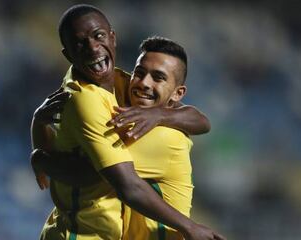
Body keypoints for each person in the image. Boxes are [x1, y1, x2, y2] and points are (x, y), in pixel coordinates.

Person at [31, 4, 224, 240]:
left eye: (98, 36)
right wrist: (191, 228)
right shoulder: (88, 100)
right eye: (140, 72)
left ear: (113, 38)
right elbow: (109, 179)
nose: (143, 83)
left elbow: (202, 120)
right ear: (68, 54)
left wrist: (42, 155)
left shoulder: (125, 91)